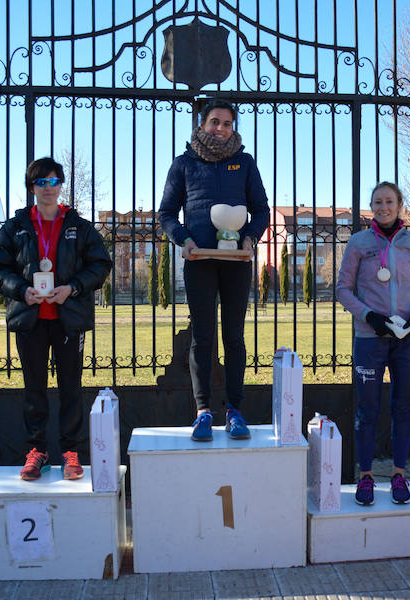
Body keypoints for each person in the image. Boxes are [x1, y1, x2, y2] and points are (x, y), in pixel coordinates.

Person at [0, 157, 112, 481]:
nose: (47, 188)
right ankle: (37, 451)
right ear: (32, 187)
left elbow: (101, 264)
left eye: (53, 181)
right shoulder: (16, 227)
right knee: (34, 389)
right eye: (41, 182)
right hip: (30, 318)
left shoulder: (78, 226)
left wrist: (72, 287)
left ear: (61, 185)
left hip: (68, 319)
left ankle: (71, 451)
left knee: (71, 387)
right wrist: (22, 291)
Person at [158, 99, 270, 442]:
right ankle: (203, 411)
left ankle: (235, 411)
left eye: (227, 123)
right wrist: (184, 240)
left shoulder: (245, 163)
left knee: (234, 337)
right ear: (202, 124)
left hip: (236, 263)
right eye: (215, 122)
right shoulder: (184, 163)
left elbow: (261, 210)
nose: (221, 128)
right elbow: (166, 213)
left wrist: (250, 238)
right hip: (200, 261)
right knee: (203, 338)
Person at [336, 181, 410, 506]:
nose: (384, 207)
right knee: (367, 410)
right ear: (372, 207)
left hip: (406, 340)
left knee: (402, 407)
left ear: (400, 205)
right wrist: (369, 316)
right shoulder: (359, 243)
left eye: (389, 201)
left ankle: (399, 475)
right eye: (378, 202)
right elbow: (343, 289)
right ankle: (365, 476)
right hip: (369, 338)